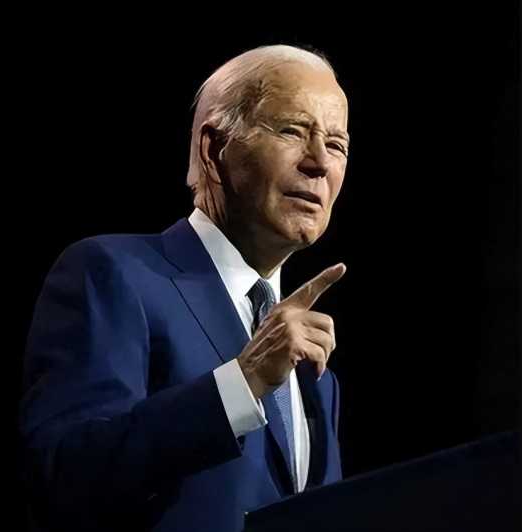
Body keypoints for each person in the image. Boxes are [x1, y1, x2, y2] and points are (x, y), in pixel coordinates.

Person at [19, 44, 350, 532]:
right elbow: (63, 476)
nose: (319, 162)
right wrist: (241, 385)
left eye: (337, 144)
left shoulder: (316, 373)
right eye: (292, 131)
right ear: (214, 150)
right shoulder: (113, 275)